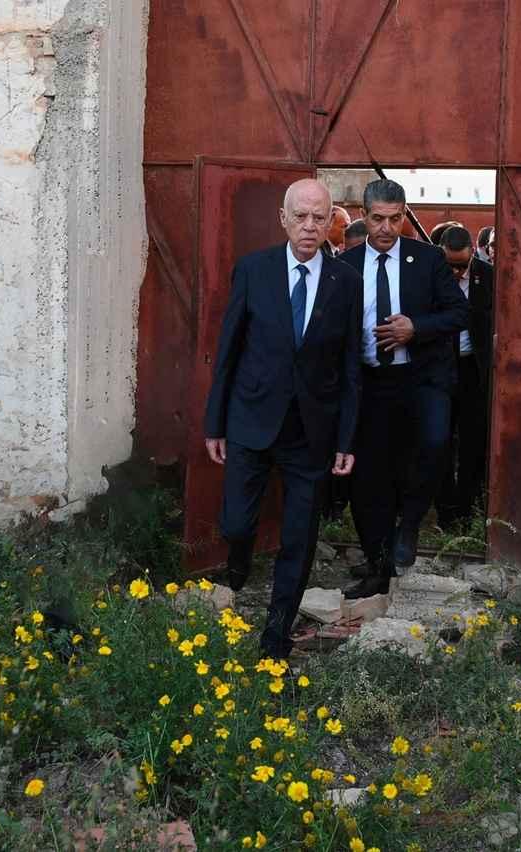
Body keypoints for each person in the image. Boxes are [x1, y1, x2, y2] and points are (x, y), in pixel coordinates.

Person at [203, 178, 363, 660]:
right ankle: (237, 566)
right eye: (301, 217)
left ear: (331, 220)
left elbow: (352, 366)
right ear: (284, 219)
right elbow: (228, 351)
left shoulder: (345, 282)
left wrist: (345, 439)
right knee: (236, 521)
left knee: (299, 536)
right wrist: (215, 423)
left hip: (311, 432)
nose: (310, 227)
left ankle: (276, 631)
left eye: (320, 217)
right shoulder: (253, 270)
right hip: (250, 420)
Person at [339, 179, 469, 598]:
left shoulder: (427, 259)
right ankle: (378, 568)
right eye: (378, 219)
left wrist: (418, 327)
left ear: (403, 215)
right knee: (371, 478)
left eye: (396, 218)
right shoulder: (346, 264)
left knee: (433, 446)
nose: (387, 228)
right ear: (364, 215)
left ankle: (410, 524)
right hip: (371, 385)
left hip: (422, 378)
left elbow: (459, 312)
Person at [434, 225, 494, 529]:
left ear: (473, 253)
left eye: (462, 265)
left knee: (472, 441)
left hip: (472, 370)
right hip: (439, 369)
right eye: (450, 265)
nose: (457, 272)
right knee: (439, 440)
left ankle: (466, 508)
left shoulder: (487, 277)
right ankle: (444, 511)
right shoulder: (431, 273)